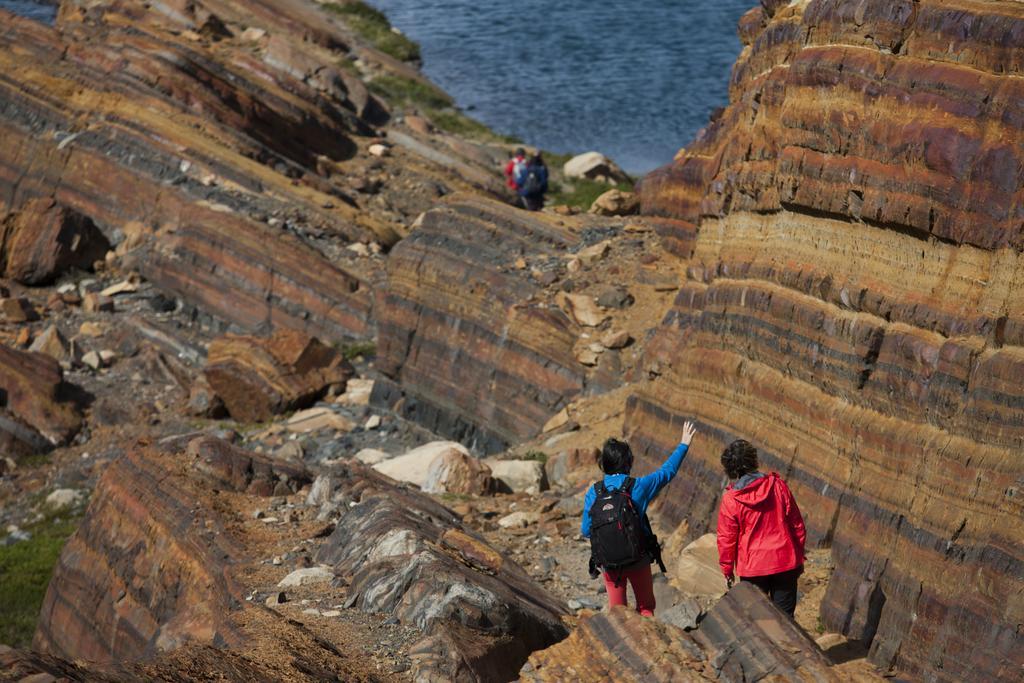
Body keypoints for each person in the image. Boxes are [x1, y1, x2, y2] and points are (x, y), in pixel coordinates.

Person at [581, 421, 698, 616]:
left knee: (618, 612)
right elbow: (666, 473)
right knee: (645, 607)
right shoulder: (638, 487)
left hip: (609, 564)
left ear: (604, 464)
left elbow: (586, 530)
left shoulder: (594, 492)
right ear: (628, 463)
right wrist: (684, 443)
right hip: (638, 559)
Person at [716, 439, 807, 617]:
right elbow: (797, 525)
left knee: (759, 621)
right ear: (754, 460)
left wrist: (727, 570)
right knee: (786, 621)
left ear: (730, 467)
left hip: (753, 569)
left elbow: (726, 539)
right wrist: (799, 555)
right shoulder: (778, 486)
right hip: (785, 562)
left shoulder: (731, 500)